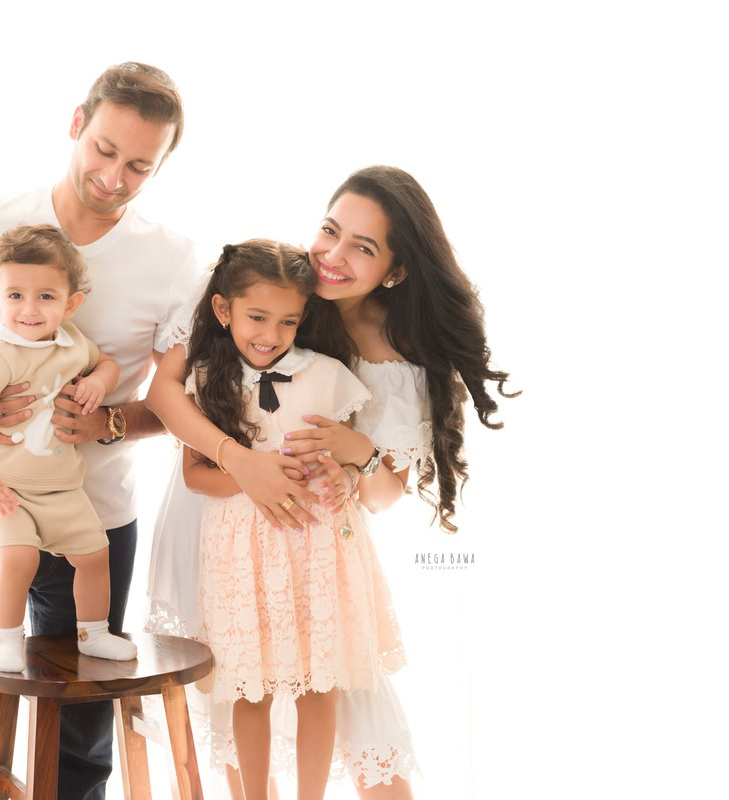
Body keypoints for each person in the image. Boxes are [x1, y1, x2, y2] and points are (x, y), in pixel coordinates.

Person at [0, 62, 198, 800]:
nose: (115, 177)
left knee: (80, 749)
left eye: (140, 166)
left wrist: (109, 418)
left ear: (161, 167)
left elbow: (179, 406)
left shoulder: (175, 261)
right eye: (106, 150)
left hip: (94, 519)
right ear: (77, 123)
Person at [147, 165, 516, 799]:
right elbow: (166, 395)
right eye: (330, 229)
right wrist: (238, 462)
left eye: (362, 248)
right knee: (235, 692)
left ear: (394, 270)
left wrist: (362, 453)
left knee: (344, 698)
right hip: (217, 526)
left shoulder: (393, 352)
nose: (333, 256)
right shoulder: (264, 284)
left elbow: (382, 494)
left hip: (313, 546)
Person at [162, 238, 405, 800]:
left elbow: (349, 459)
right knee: (252, 688)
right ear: (224, 311)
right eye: (256, 318)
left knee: (321, 684)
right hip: (241, 549)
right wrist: (254, 476)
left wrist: (336, 473)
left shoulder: (327, 375)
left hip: (318, 544)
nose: (270, 335)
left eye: (288, 321)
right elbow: (196, 474)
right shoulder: (206, 378)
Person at [0, 224, 137, 673]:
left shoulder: (73, 342)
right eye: (15, 296)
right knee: (19, 557)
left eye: (46, 297)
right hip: (8, 490)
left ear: (71, 303)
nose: (29, 309)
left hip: (63, 490)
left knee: (95, 556)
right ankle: (8, 640)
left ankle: (94, 634)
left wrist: (98, 381)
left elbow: (107, 362)